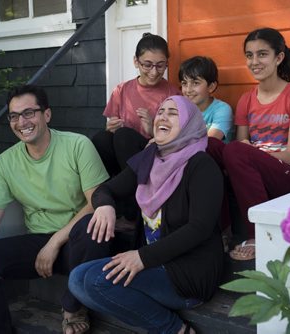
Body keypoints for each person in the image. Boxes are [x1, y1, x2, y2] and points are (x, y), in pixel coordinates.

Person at [69, 96, 224, 334]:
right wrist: (104, 206)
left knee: (96, 282)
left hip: (189, 273)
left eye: (173, 113)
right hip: (154, 262)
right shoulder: (151, 157)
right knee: (77, 279)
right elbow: (105, 190)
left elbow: (199, 228)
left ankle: (174, 329)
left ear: (189, 124)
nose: (162, 116)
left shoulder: (201, 166)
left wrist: (143, 257)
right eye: (161, 111)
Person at [0, 85, 111, 334]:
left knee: (93, 227)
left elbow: (95, 202)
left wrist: (54, 242)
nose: (21, 122)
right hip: (38, 243)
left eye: (29, 113)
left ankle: (73, 308)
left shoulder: (77, 145)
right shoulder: (7, 162)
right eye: (14, 116)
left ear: (47, 115)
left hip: (78, 243)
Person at [209, 27, 290, 261]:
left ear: (279, 57)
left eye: (262, 54)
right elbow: (242, 144)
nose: (254, 61)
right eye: (249, 55)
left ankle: (258, 234)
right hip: (254, 171)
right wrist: (248, 150)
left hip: (287, 175)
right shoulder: (246, 100)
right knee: (209, 147)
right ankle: (220, 229)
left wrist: (252, 151)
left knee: (235, 149)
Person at [92, 32, 180, 177]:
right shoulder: (121, 90)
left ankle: (134, 188)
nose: (154, 72)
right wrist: (110, 128)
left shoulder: (173, 94)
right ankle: (114, 184)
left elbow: (176, 138)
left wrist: (153, 129)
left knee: (123, 135)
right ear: (136, 61)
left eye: (160, 66)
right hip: (123, 156)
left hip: (154, 151)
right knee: (101, 138)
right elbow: (110, 129)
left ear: (166, 63)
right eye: (147, 65)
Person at [179, 56, 233, 143]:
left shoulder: (222, 109)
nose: (188, 90)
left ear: (211, 87)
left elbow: (209, 141)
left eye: (195, 83)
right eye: (184, 83)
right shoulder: (181, 110)